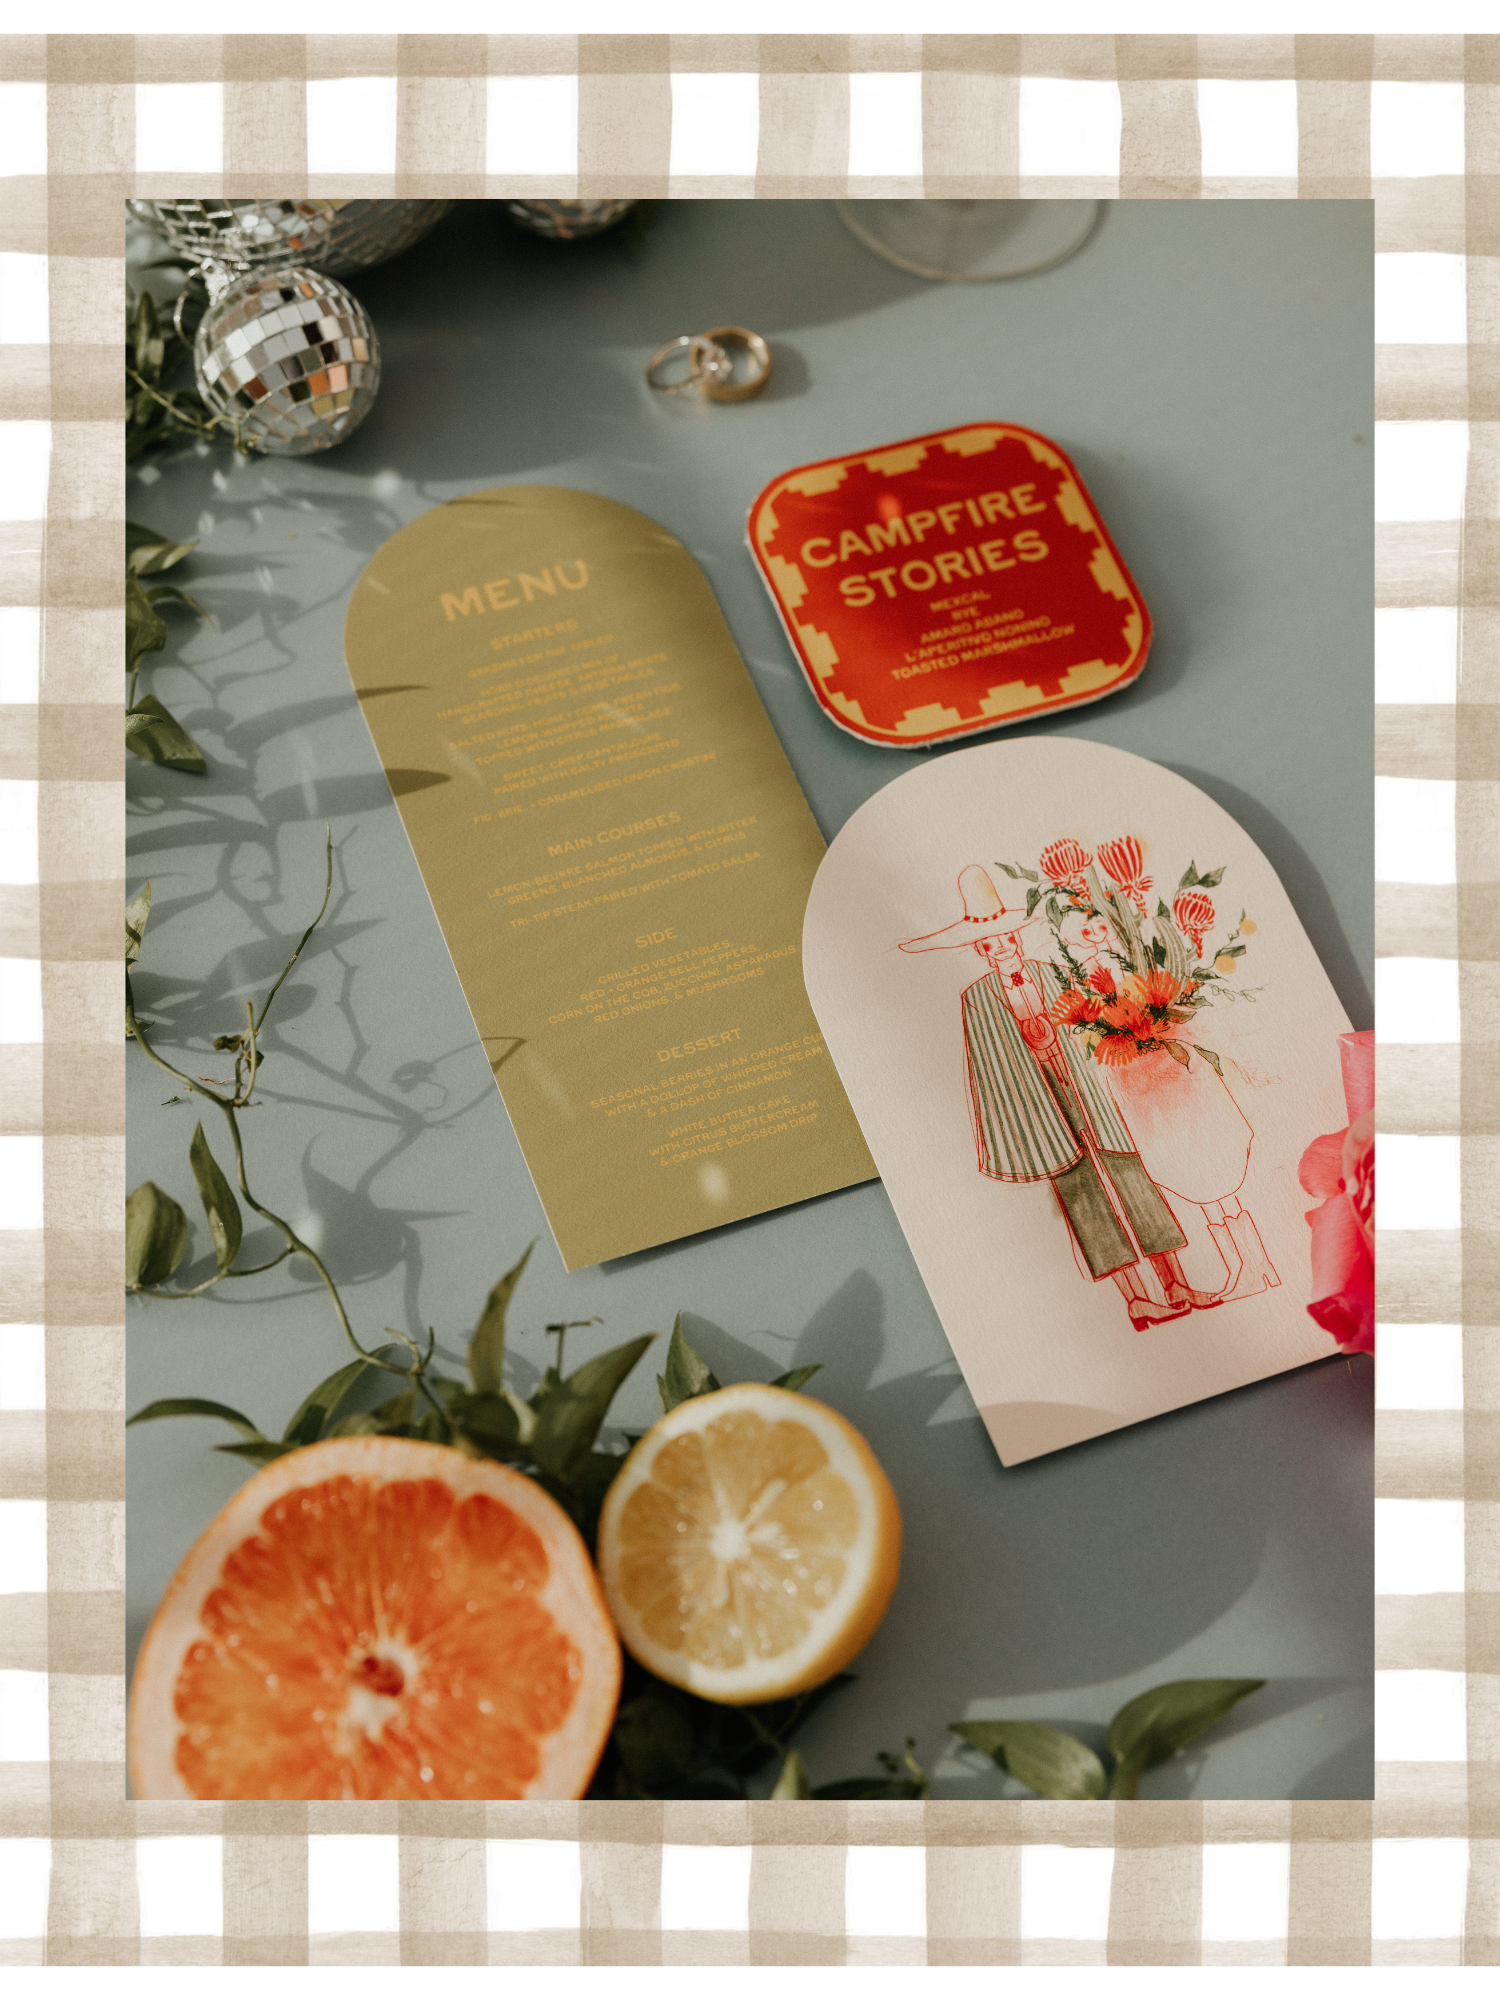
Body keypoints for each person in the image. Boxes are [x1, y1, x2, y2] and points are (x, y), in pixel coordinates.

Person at [900, 865, 1219, 1331]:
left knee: (1131, 1179)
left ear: (1018, 941)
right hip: (1041, 1106)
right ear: (980, 950)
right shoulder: (977, 999)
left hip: (1091, 1093)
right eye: (991, 944)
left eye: (1008, 940)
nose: (1002, 949)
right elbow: (989, 1069)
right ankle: (1136, 1301)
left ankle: (1176, 1285)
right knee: (1083, 1196)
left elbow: (1096, 1028)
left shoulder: (1054, 975)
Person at [1057, 908, 1279, 1302]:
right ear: (1073, 940)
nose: (1093, 935)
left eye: (1098, 925)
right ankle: (1246, 1266)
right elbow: (1095, 1040)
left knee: (1214, 1168)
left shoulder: (1141, 963)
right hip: (1145, 1090)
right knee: (1197, 1176)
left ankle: (1254, 1264)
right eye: (1083, 931)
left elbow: (1174, 1009)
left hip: (1177, 1082)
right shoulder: (1086, 985)